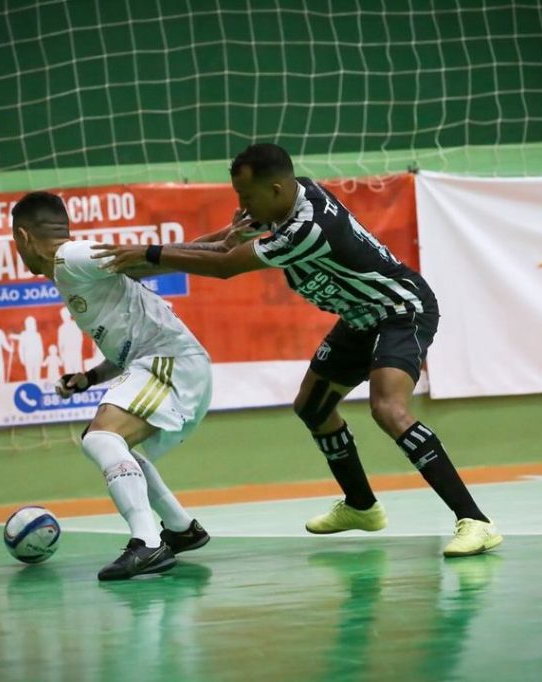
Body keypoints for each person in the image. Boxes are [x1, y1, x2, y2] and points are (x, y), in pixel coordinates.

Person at [96, 143, 501, 557]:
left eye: (247, 197)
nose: (242, 206)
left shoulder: (307, 230)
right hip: (360, 318)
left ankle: (475, 521)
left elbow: (224, 266)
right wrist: (140, 265)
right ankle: (362, 506)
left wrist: (147, 253)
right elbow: (221, 245)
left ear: (275, 189)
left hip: (399, 310)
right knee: (313, 406)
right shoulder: (286, 200)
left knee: (388, 408)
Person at [11, 191, 212, 580]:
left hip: (173, 363)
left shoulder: (72, 257)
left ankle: (148, 544)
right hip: (158, 362)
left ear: (23, 237)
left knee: (100, 439)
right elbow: (125, 348)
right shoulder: (69, 272)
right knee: (112, 445)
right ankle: (180, 529)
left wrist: (222, 242)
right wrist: (89, 378)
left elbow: (156, 259)